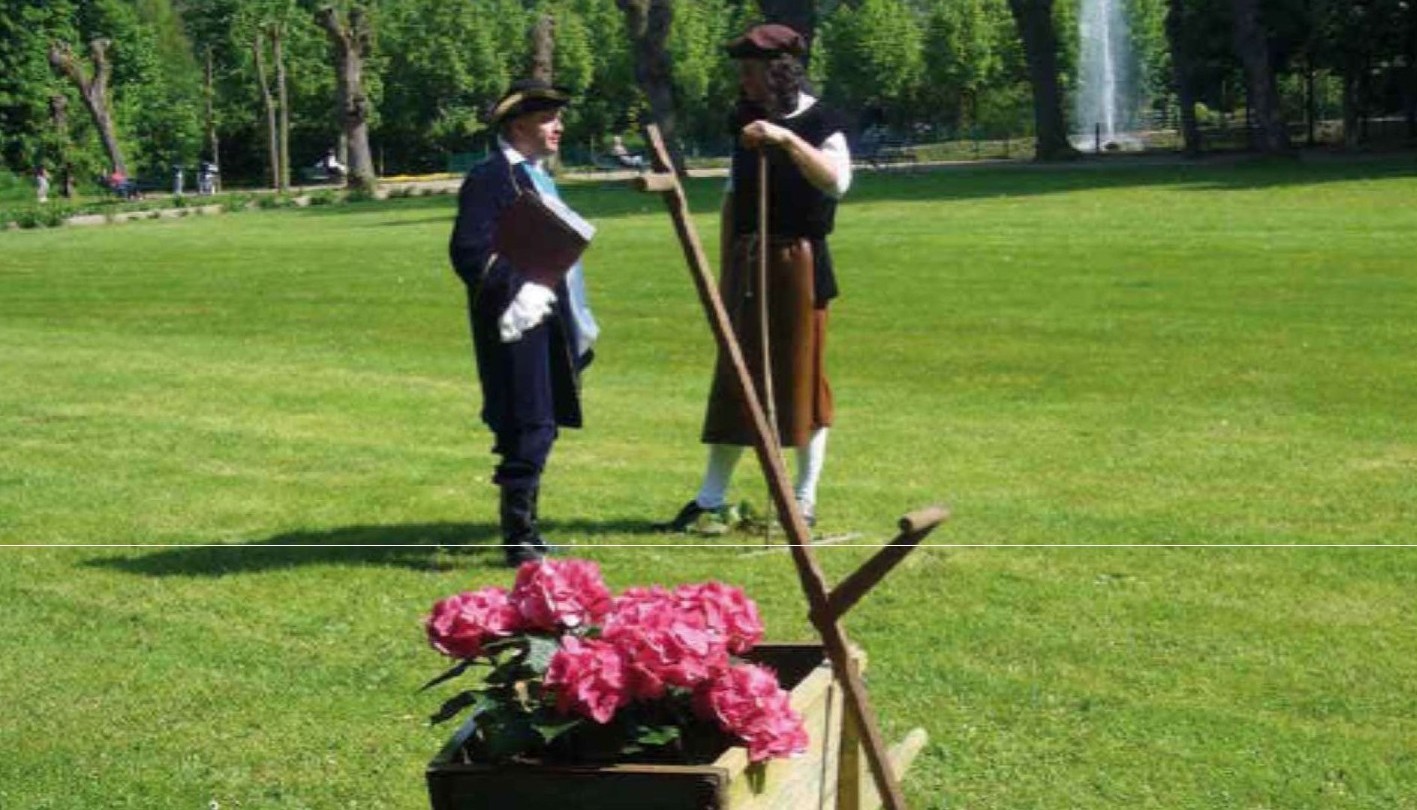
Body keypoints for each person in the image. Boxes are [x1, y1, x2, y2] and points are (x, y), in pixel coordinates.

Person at [657, 23, 852, 533]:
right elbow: (733, 197)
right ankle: (709, 498)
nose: (743, 80)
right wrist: (724, 272)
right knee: (735, 381)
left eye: (751, 70)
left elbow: (836, 182)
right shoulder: (744, 122)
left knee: (803, 384)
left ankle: (802, 500)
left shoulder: (822, 121)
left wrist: (785, 138)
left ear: (780, 71)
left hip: (800, 264)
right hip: (748, 264)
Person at [449, 78, 600, 567]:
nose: (558, 127)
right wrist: (522, 288)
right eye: (546, 119)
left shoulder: (535, 175)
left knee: (543, 423)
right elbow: (470, 252)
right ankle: (520, 539)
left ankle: (527, 532)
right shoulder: (491, 178)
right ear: (518, 126)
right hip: (514, 321)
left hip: (548, 317)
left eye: (557, 119)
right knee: (527, 424)